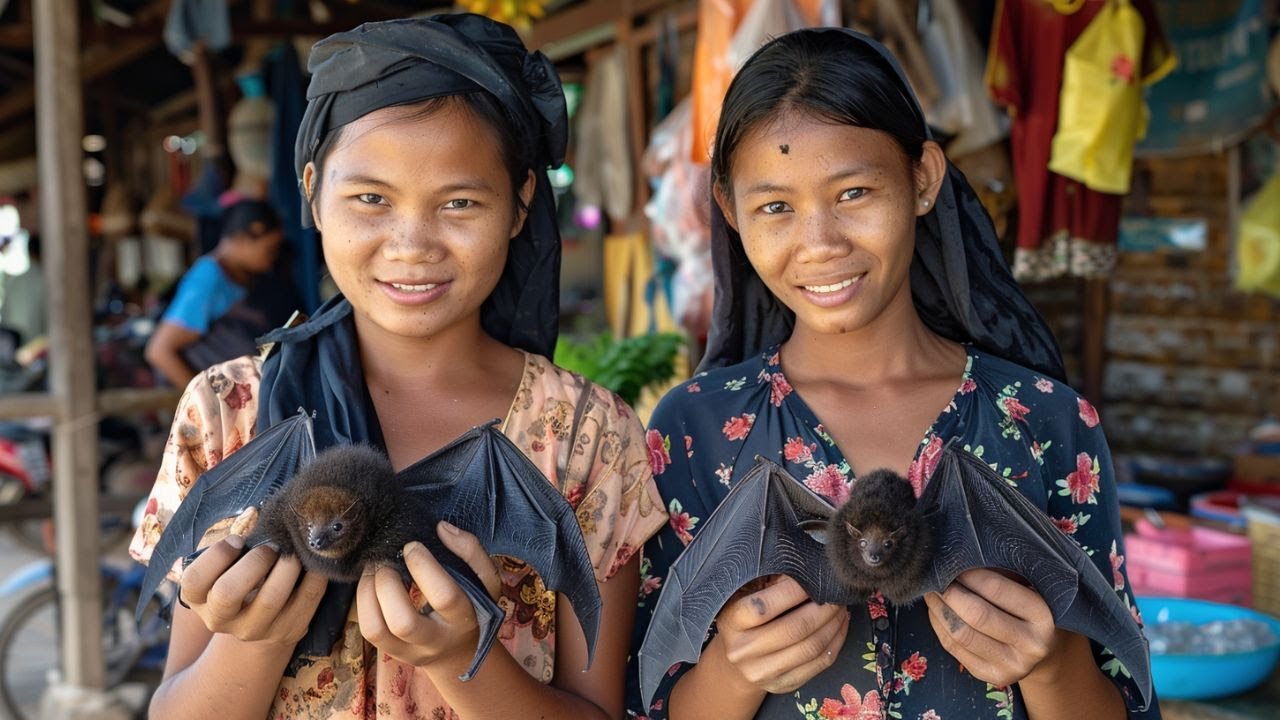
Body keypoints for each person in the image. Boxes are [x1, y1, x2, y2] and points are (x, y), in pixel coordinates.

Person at [129, 14, 667, 720]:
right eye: (371, 199)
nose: (411, 245)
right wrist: (255, 641)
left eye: (461, 203)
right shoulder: (230, 411)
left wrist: (460, 661)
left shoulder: (584, 435)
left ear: (519, 204)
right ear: (314, 191)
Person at [625, 28, 1157, 720]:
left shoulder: (1046, 423)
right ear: (729, 211)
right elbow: (651, 703)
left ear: (924, 180)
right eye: (776, 207)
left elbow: (1127, 701)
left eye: (853, 192)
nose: (821, 244)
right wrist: (732, 671)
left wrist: (1052, 664)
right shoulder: (696, 429)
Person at [144, 199, 293, 387]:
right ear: (243, 239)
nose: (272, 259)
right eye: (269, 250)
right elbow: (159, 351)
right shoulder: (208, 280)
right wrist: (207, 402)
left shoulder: (242, 277)